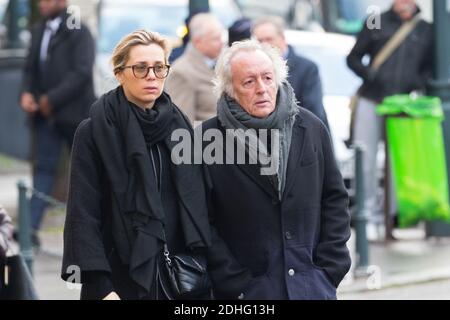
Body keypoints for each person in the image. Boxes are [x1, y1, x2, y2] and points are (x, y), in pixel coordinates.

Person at [61, 30, 212, 300]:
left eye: (159, 67)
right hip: (118, 279)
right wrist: (102, 287)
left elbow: (197, 204)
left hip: (177, 277)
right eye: (141, 68)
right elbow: (83, 215)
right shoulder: (95, 131)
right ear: (119, 72)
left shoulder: (180, 127)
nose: (152, 76)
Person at [202, 40, 351, 299]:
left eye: (267, 78)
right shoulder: (206, 140)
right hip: (249, 292)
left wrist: (329, 269)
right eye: (249, 82)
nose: (262, 89)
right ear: (229, 90)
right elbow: (202, 222)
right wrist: (234, 283)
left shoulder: (311, 127)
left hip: (311, 286)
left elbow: (334, 198)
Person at [346, 0, 433, 227]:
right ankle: (367, 211)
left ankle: (395, 213)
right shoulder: (376, 21)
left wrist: (415, 84)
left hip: (403, 104)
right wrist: (371, 75)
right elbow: (353, 58)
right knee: (365, 157)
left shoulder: (426, 29)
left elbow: (430, 68)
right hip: (371, 97)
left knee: (399, 162)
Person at [20, 0, 96, 247]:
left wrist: (50, 100)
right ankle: (28, 230)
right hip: (45, 117)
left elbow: (82, 73)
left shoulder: (80, 31)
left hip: (75, 116)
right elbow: (30, 69)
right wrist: (27, 94)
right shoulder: (38, 30)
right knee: (43, 170)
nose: (41, 4)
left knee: (85, 172)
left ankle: (90, 231)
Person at [252, 16, 329, 128]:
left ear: (282, 39)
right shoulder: (253, 69)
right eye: (260, 41)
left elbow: (313, 112)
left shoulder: (307, 68)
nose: (264, 45)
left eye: (269, 39)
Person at [165, 13, 224, 125]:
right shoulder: (181, 72)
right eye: (215, 39)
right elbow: (183, 125)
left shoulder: (221, 62)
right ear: (198, 42)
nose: (222, 42)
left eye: (221, 37)